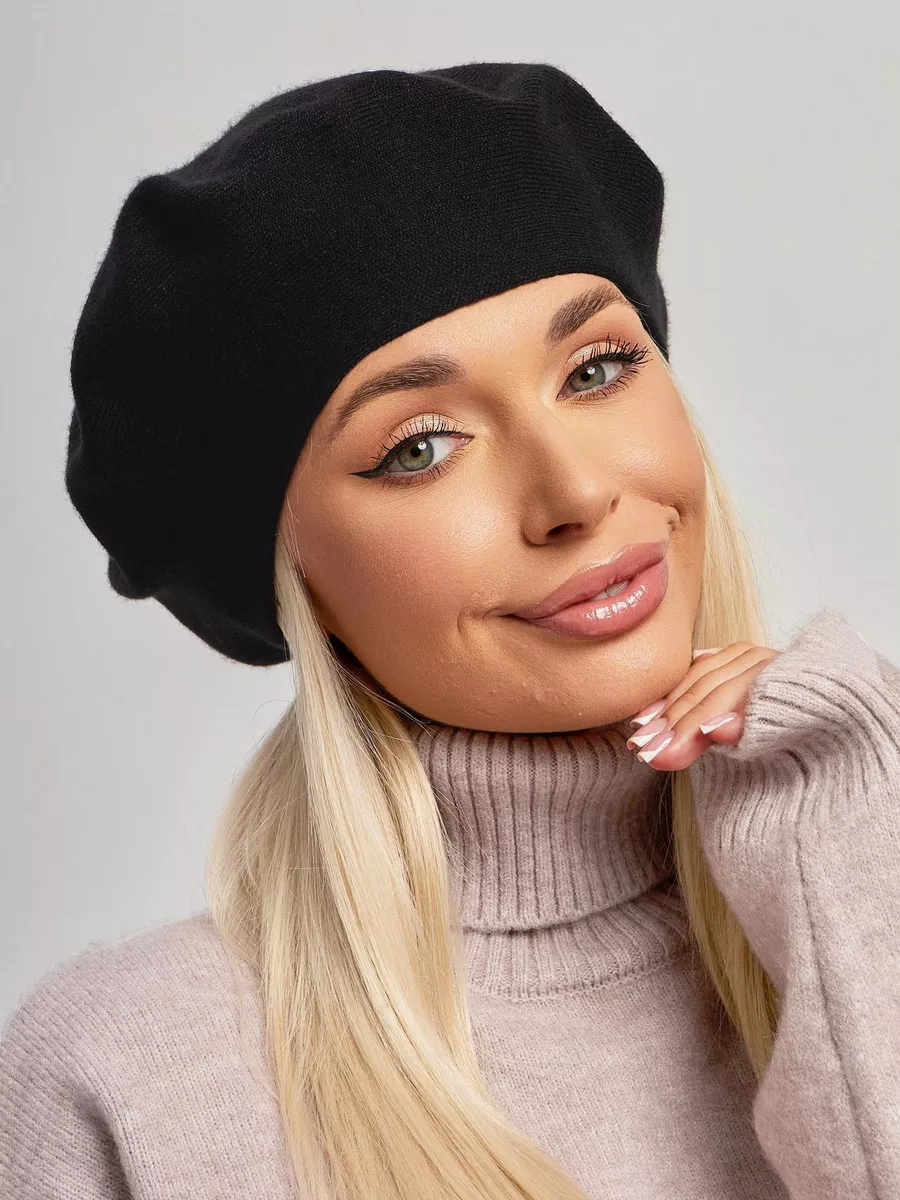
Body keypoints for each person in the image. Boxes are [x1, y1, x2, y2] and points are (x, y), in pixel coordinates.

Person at [1, 61, 899, 1200]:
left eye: (597, 368)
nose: (575, 491)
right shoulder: (133, 1081)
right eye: (419, 447)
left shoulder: (864, 850)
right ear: (291, 576)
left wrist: (859, 840)